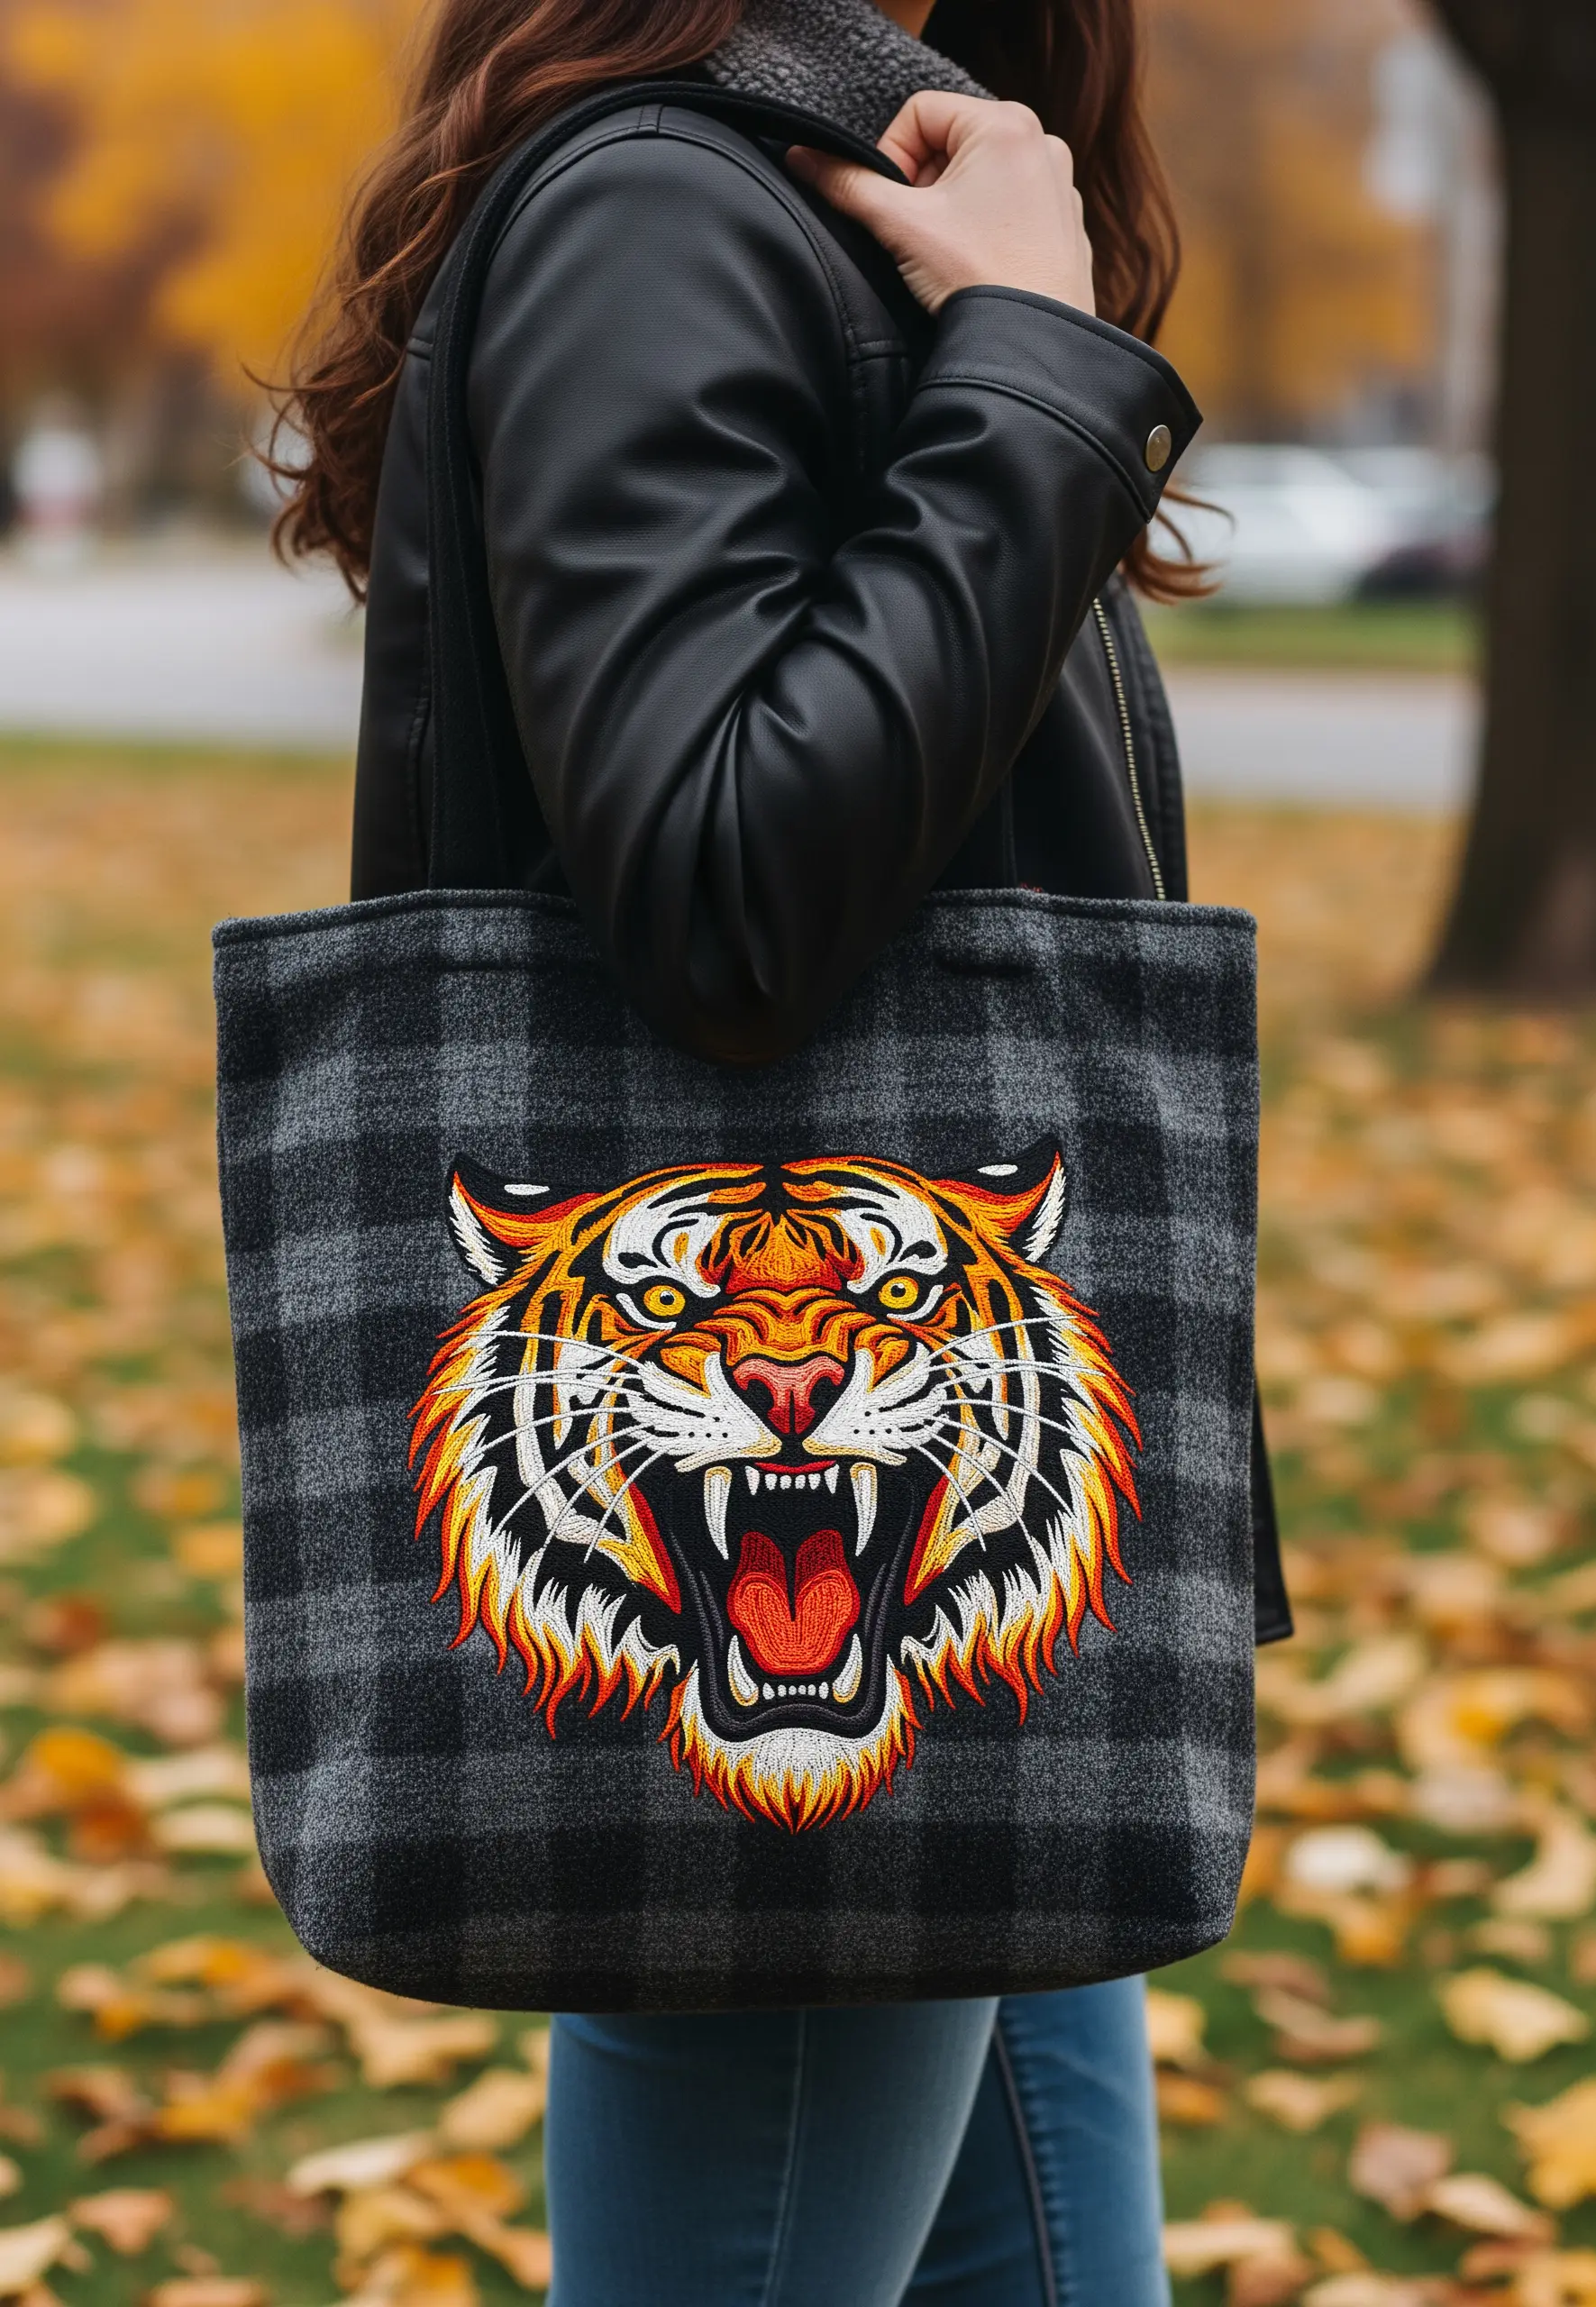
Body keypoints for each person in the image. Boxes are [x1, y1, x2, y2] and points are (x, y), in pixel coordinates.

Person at [275, 0, 1212, 2295]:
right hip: (779, 1569)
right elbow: (719, 880)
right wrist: (1021, 360)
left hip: (955, 1562)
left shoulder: (830, 178)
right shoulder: (668, 210)